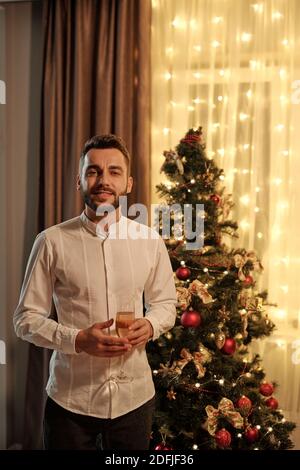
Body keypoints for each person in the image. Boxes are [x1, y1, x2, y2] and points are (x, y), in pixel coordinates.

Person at [13, 134, 177, 450]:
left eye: (114, 172)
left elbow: (166, 302)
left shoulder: (150, 240)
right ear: (79, 181)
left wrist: (153, 324)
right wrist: (77, 340)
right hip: (69, 401)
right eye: (93, 171)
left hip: (135, 399)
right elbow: (25, 320)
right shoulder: (51, 242)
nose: (103, 180)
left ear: (128, 183)